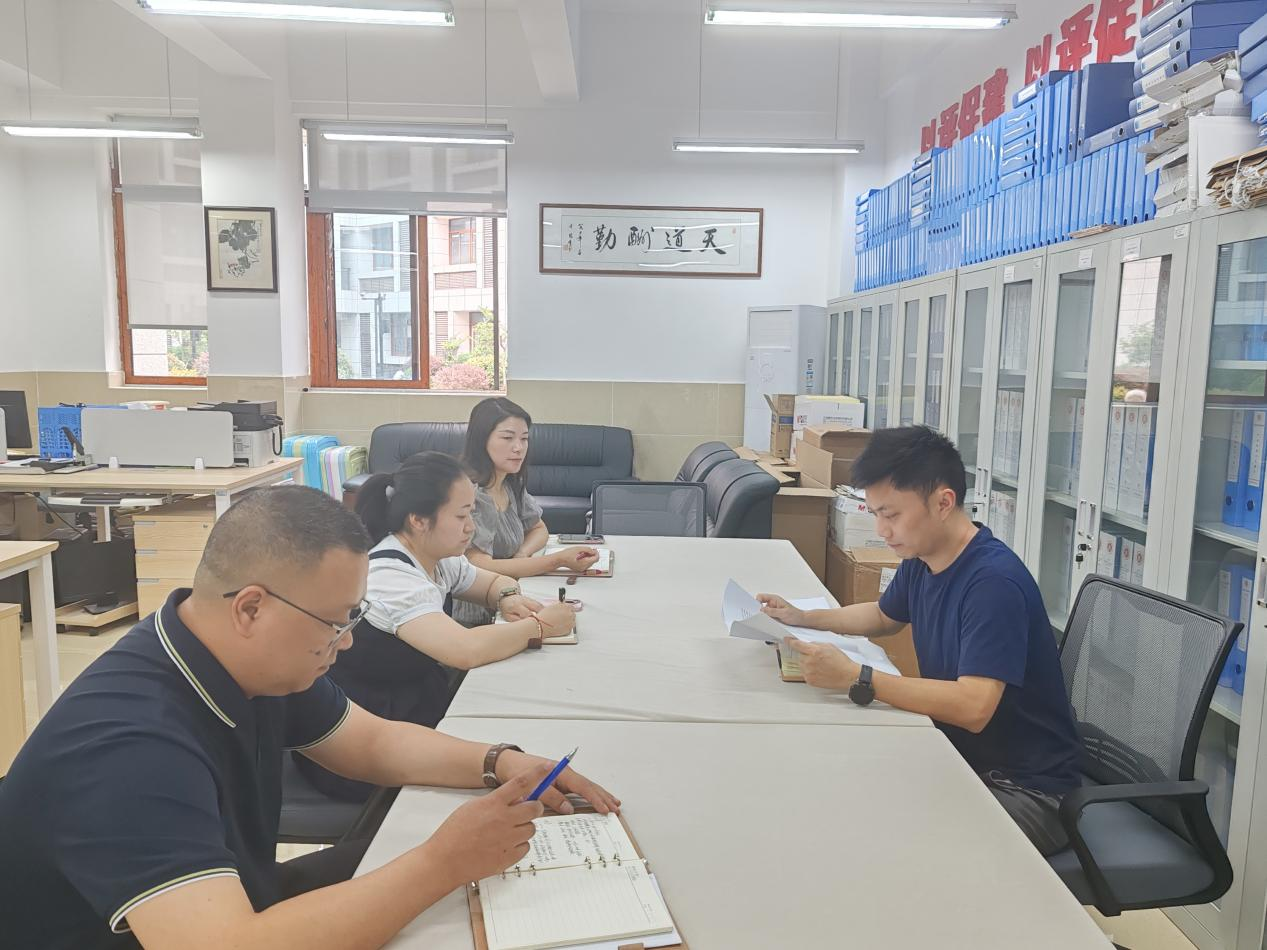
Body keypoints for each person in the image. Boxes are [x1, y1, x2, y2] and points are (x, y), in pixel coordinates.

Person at [0, 485, 618, 950]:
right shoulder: (127, 748)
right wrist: (442, 861)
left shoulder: (247, 660)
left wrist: (501, 762)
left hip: (234, 902)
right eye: (337, 622)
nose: (346, 642)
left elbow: (371, 742)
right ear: (250, 608)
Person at [758, 426, 1083, 856]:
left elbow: (973, 707)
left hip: (1028, 791)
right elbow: (882, 616)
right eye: (875, 514)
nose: (882, 530)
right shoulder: (924, 555)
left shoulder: (993, 584)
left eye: (891, 515)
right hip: (964, 757)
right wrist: (803, 617)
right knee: (837, 786)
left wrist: (857, 676)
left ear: (943, 503)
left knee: (879, 838)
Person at [301, 451, 578, 800]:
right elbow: (465, 651)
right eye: (461, 515)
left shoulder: (435, 557)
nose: (471, 526)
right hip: (370, 739)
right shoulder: (390, 576)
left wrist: (507, 596)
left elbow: (492, 582)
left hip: (415, 706)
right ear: (419, 520)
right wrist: (540, 626)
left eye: (471, 513)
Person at [454, 397, 599, 627]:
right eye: (507, 438)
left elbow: (539, 528)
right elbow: (480, 566)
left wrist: (522, 553)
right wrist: (558, 560)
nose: (518, 448)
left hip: (515, 592)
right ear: (481, 441)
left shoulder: (510, 483)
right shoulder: (471, 494)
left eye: (524, 439)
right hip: (480, 614)